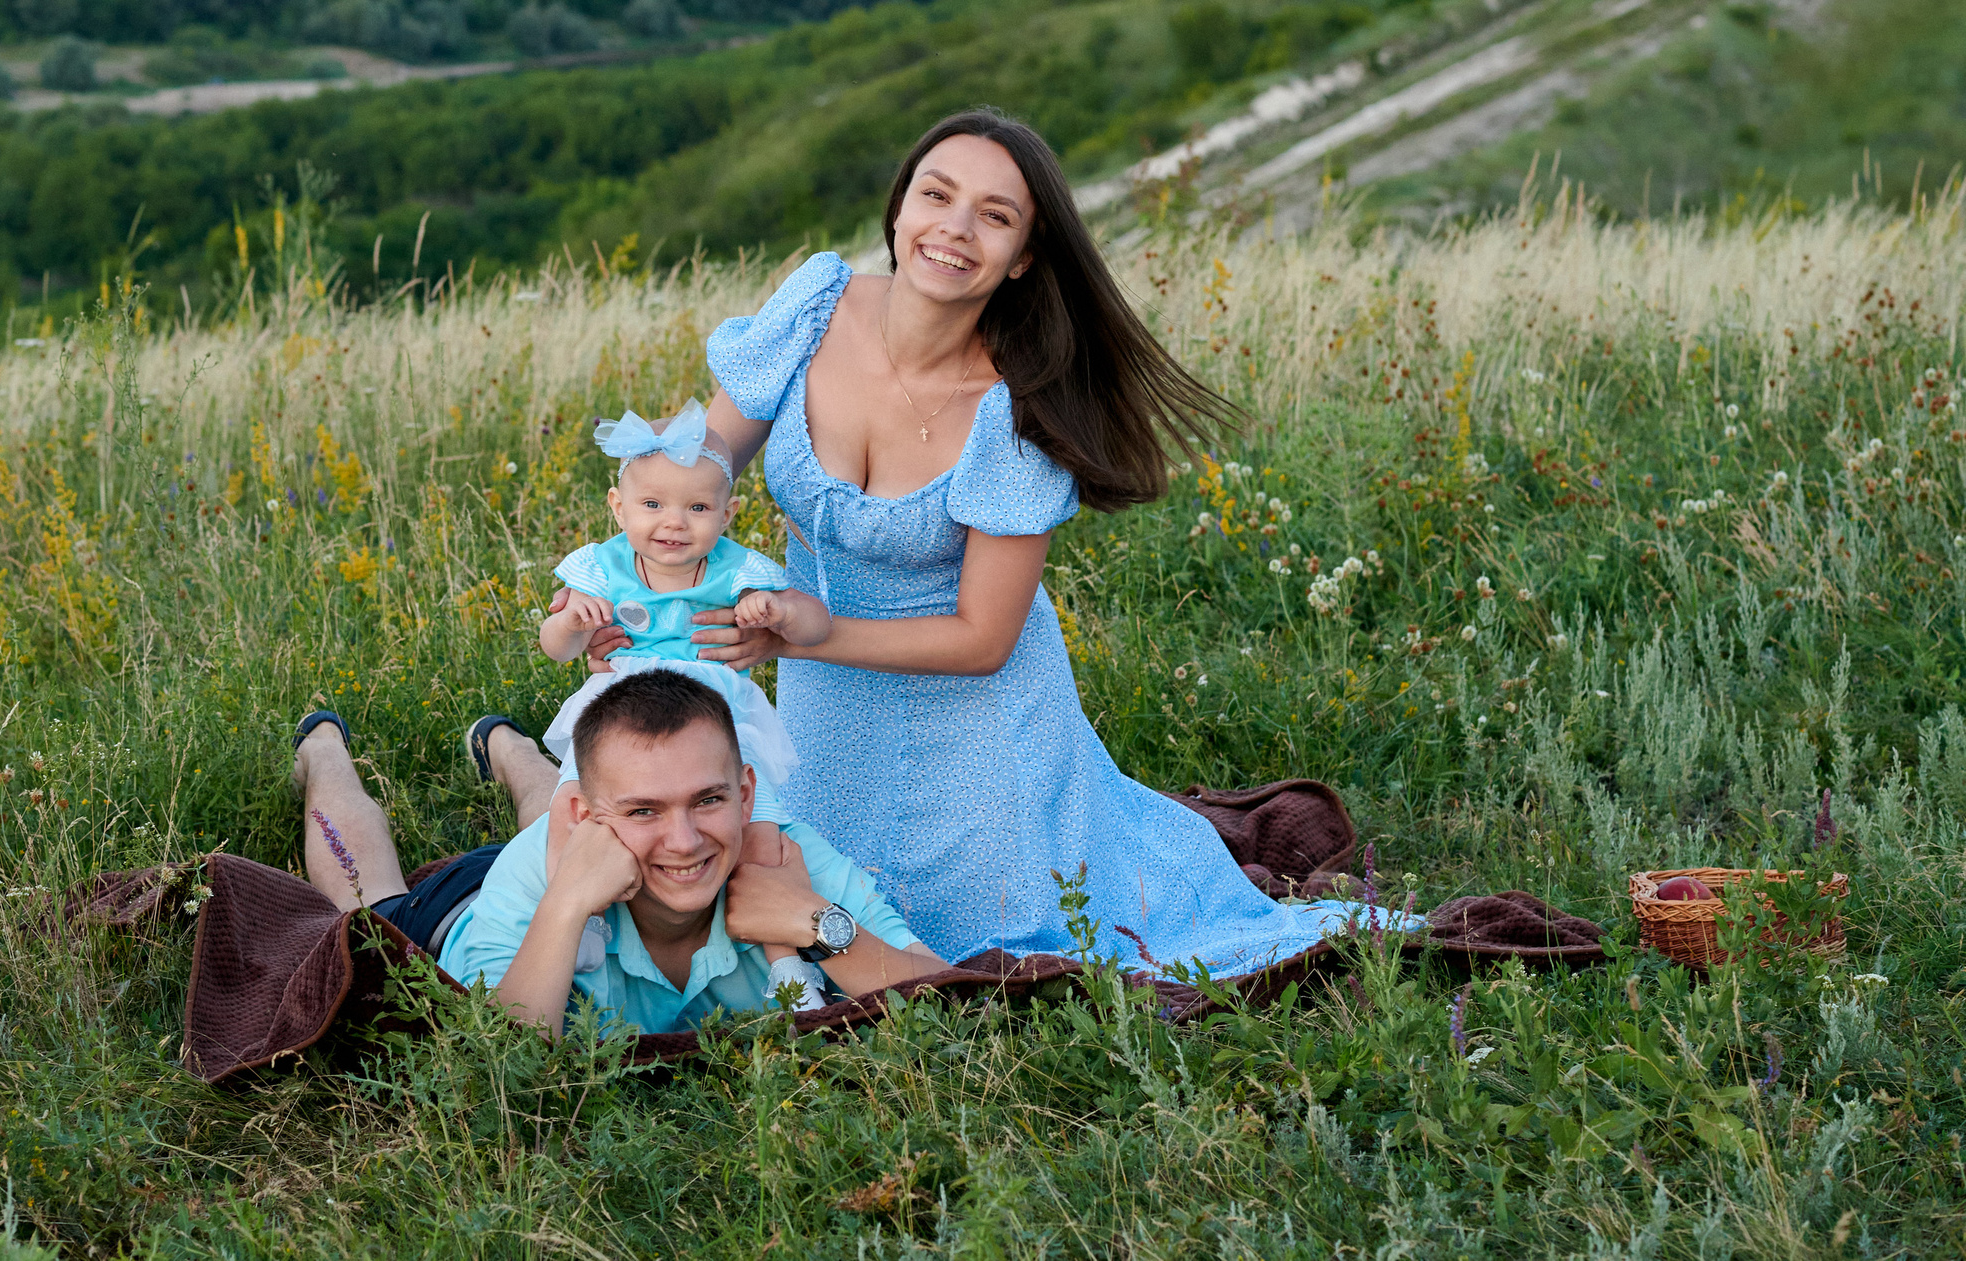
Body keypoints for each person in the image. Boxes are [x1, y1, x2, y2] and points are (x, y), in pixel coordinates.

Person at [678, 107, 1370, 975]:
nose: (955, 228)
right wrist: (655, 533)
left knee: (985, 950)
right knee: (763, 900)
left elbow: (984, 638)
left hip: (975, 727)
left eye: (995, 216)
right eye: (937, 194)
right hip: (824, 712)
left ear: (1024, 257)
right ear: (900, 210)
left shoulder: (1015, 410)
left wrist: (812, 632)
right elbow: (710, 455)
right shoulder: (818, 302)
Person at [287, 670, 950, 1039]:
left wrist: (814, 920)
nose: (686, 839)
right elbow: (505, 1063)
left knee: (581, 811)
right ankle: (322, 749)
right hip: (457, 909)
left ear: (747, 794)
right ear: (591, 819)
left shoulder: (787, 858)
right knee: (363, 897)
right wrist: (569, 900)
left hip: (580, 831)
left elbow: (955, 1000)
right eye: (645, 809)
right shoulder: (545, 870)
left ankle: (509, 749)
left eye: (708, 800)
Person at [531, 399, 837, 989]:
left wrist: (778, 611)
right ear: (618, 508)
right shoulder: (599, 566)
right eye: (652, 505)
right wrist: (572, 624)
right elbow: (554, 646)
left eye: (697, 507)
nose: (673, 523)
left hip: (719, 714)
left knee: (760, 831)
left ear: (727, 514)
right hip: (622, 708)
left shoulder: (737, 568)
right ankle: (584, 918)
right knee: (571, 802)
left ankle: (788, 967)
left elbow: (817, 624)